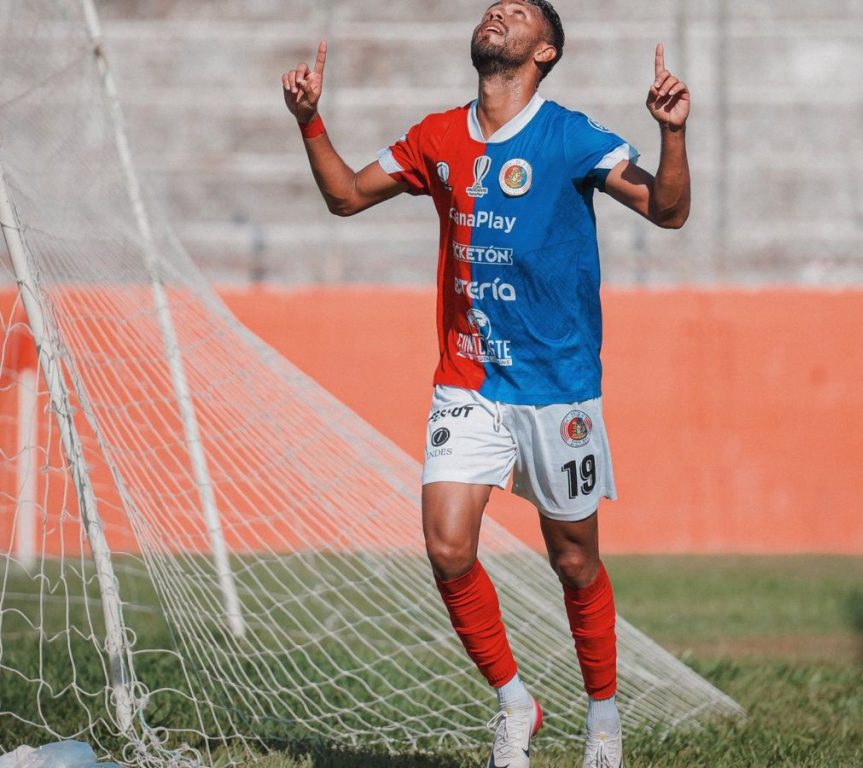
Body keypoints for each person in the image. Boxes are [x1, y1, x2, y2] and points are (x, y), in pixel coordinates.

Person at [282, 2, 690, 766]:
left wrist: (672, 133)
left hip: (558, 386)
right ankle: (516, 704)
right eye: (493, 6)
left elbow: (669, 211)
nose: (498, 12)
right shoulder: (437, 136)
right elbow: (344, 196)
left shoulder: (570, 137)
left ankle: (602, 721)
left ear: (545, 52)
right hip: (468, 377)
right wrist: (310, 121)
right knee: (445, 545)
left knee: (573, 562)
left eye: (519, 14)